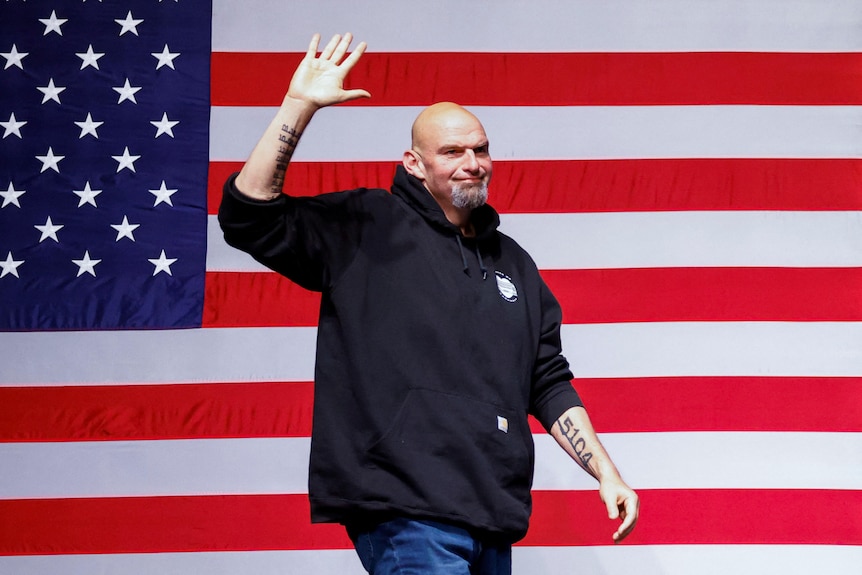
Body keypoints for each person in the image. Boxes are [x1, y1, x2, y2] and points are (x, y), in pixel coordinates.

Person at [218, 32, 639, 575]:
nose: (472, 163)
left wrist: (605, 471)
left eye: (480, 149)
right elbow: (249, 217)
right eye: (452, 152)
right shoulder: (367, 225)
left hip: (491, 512)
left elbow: (547, 380)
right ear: (414, 164)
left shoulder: (515, 264)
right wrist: (298, 107)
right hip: (405, 511)